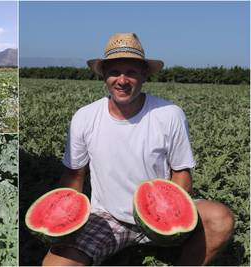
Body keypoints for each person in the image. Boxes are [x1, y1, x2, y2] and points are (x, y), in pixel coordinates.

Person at [42, 33, 234, 266]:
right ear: (104, 76)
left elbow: (181, 172)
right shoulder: (85, 117)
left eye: (131, 72)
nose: (122, 80)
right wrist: (67, 219)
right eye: (114, 72)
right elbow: (74, 175)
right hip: (107, 217)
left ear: (144, 75)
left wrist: (170, 215)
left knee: (220, 219)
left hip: (161, 213)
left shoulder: (169, 114)